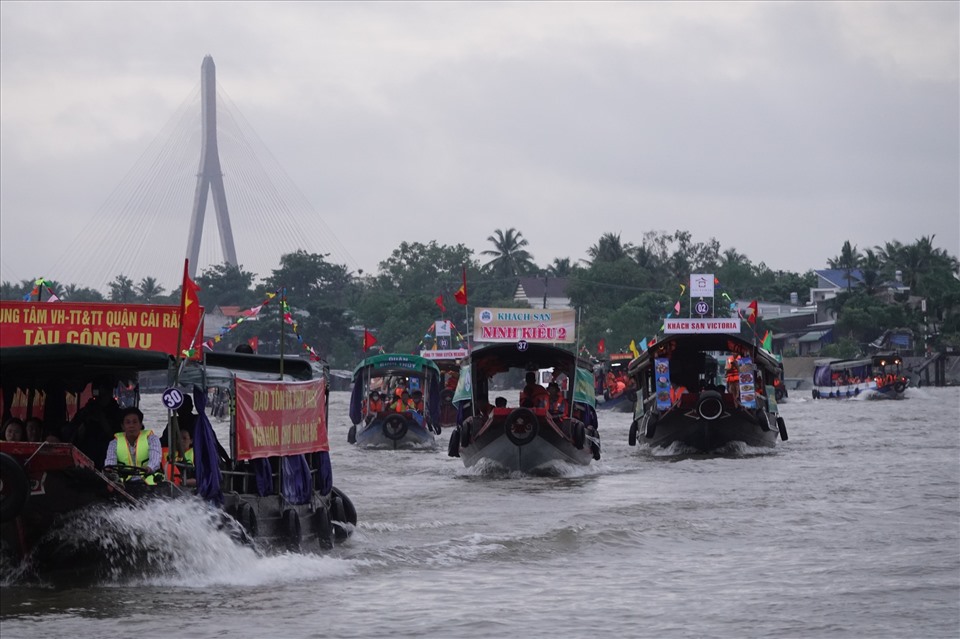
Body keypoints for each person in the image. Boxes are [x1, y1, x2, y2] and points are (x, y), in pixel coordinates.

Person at [64, 377, 121, 469]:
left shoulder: (117, 414)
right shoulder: (86, 411)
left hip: (108, 459)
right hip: (85, 458)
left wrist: (102, 419)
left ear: (110, 392)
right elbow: (70, 434)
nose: (101, 398)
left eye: (104, 393)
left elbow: (117, 438)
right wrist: (84, 423)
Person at [104, 407, 162, 485]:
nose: (131, 426)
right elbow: (110, 462)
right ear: (123, 426)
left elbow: (155, 459)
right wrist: (109, 470)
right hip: (124, 483)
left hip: (149, 481)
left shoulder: (152, 439)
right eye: (128, 422)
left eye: (135, 422)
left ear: (141, 425)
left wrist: (149, 468)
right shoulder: (114, 443)